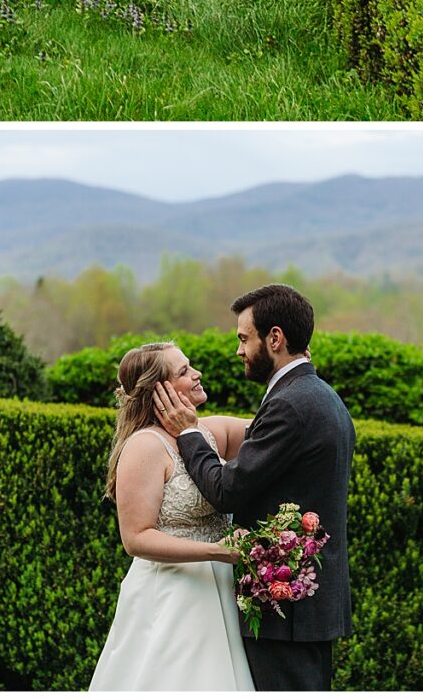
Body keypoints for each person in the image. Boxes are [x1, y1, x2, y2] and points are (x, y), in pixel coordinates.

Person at [154, 284, 355, 692]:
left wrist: (189, 433)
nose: (239, 350)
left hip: (287, 612)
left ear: (275, 338)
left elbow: (228, 490)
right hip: (307, 604)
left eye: (244, 338)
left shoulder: (289, 404)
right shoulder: (322, 396)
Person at [87, 340, 253, 690]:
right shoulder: (145, 446)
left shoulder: (211, 432)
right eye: (184, 372)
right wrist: (218, 551)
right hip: (173, 594)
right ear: (159, 390)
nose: (197, 375)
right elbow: (136, 538)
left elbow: (280, 431)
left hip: (220, 589)